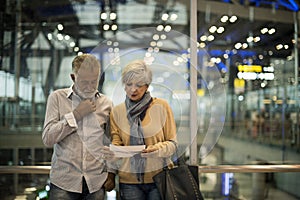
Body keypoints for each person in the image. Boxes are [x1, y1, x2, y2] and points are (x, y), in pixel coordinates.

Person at [42, 53, 116, 200]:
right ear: (73, 77)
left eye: (93, 81)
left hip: (96, 183)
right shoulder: (57, 98)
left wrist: (111, 173)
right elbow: (48, 138)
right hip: (64, 182)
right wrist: (76, 115)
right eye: (84, 82)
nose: (89, 87)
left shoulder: (106, 104)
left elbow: (110, 142)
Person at [110, 60, 177, 200]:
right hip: (129, 181)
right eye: (129, 84)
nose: (133, 89)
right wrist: (112, 151)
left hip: (158, 177)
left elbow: (172, 144)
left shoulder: (162, 107)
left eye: (139, 85)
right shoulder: (117, 111)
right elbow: (117, 144)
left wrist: (156, 149)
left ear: (147, 86)